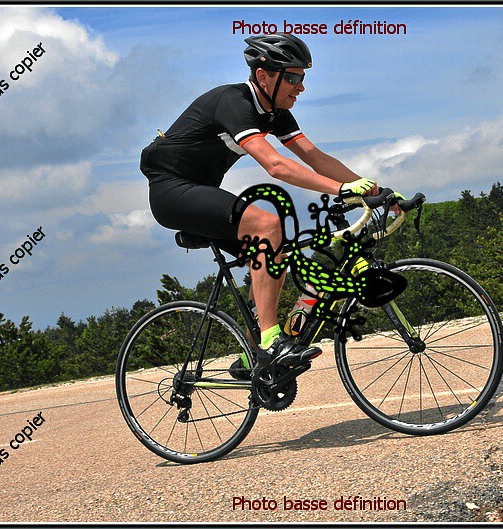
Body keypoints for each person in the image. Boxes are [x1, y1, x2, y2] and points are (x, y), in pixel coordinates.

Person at [140, 33, 394, 377]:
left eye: (302, 77)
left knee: (279, 251)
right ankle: (271, 340)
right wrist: (341, 189)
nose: (301, 87)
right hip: (172, 192)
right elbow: (275, 165)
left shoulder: (275, 113)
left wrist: (376, 191)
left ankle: (253, 357)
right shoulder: (233, 102)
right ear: (264, 76)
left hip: (199, 189)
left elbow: (315, 157)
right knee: (267, 225)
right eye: (293, 77)